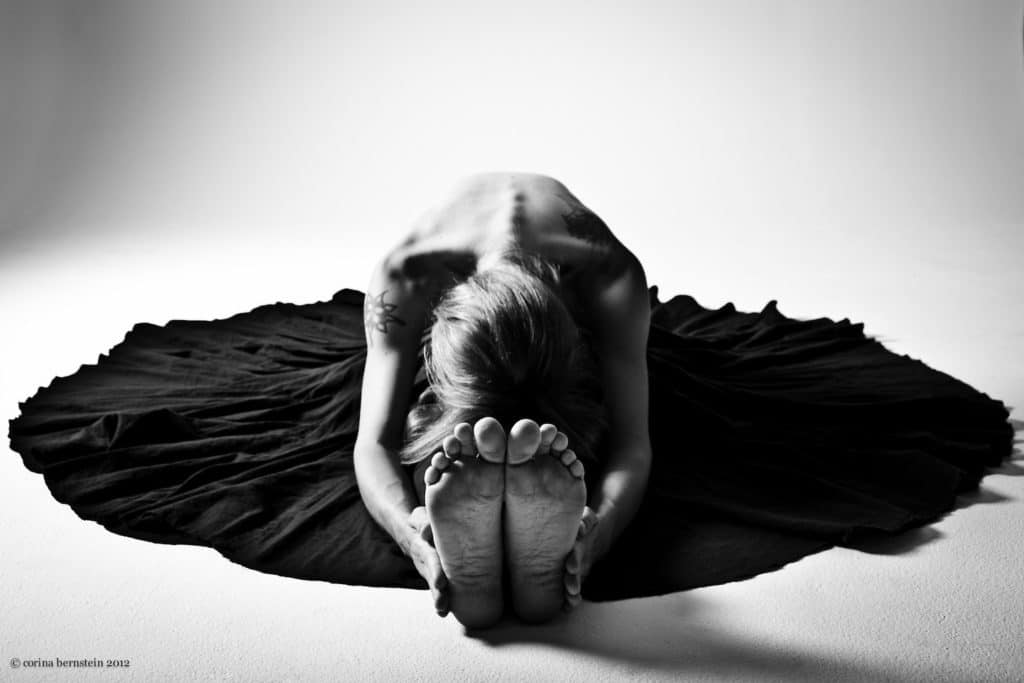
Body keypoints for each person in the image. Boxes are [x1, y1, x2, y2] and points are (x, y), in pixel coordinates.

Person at [353, 172, 652, 628]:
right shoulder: (405, 276)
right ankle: (515, 538)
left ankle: (511, 536)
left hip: (566, 331)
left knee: (540, 435)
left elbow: (633, 444)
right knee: (450, 434)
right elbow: (372, 442)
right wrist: (412, 533)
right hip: (467, 302)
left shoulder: (609, 276)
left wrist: (598, 535)